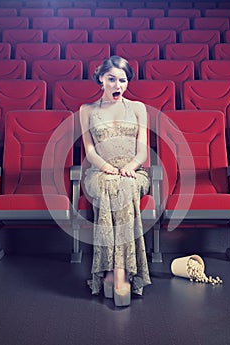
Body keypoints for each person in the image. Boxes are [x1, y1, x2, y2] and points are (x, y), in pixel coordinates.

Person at [79, 56, 151, 307]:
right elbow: (89, 152)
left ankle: (117, 273)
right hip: (99, 172)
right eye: (112, 79)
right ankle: (114, 273)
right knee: (111, 186)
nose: (118, 85)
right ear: (101, 79)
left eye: (123, 80)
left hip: (133, 173)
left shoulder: (139, 108)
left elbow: (143, 151)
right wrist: (108, 168)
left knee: (124, 186)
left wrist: (129, 168)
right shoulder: (86, 110)